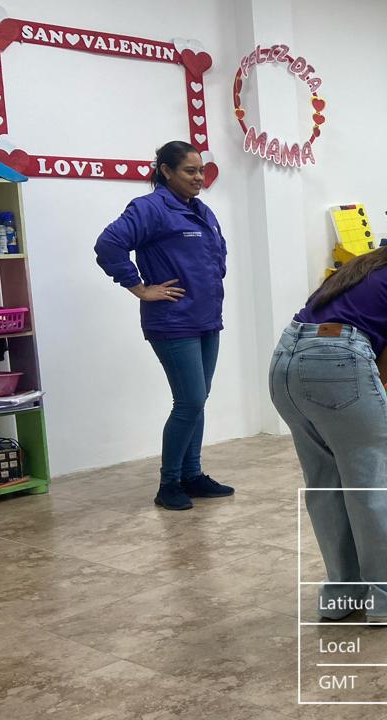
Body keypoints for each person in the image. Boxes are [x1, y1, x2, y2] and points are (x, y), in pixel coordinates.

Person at [269, 203, 387, 624]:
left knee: (324, 484)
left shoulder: (366, 262)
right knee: (369, 483)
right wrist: (370, 388)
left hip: (284, 363)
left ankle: (342, 593)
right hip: (336, 363)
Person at [95, 141, 230, 511]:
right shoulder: (150, 208)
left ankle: (192, 475)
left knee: (198, 400)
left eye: (201, 171)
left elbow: (215, 257)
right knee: (189, 400)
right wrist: (139, 288)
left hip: (206, 319)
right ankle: (169, 483)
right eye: (190, 171)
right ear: (166, 171)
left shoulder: (201, 211)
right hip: (173, 321)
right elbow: (109, 245)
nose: (199, 178)